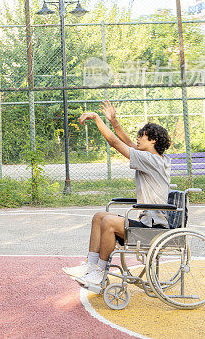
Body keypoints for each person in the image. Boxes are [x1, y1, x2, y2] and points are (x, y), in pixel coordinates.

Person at [63, 100, 171, 294]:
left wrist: (97, 118)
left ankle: (100, 271)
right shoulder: (155, 158)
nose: (137, 139)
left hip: (153, 227)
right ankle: (91, 266)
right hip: (146, 223)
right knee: (99, 216)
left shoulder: (151, 159)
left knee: (110, 222)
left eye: (142, 136)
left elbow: (115, 143)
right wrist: (114, 122)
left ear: (153, 140)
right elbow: (128, 144)